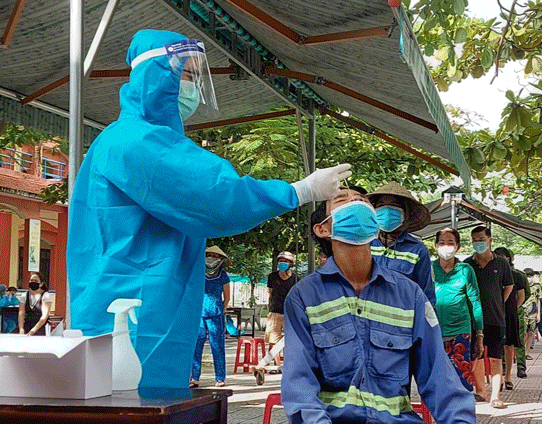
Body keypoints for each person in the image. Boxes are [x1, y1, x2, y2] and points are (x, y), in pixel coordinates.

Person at [67, 29, 351, 388]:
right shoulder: (134, 141)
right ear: (156, 75)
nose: (192, 89)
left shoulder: (144, 140)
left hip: (142, 306)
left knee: (146, 421)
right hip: (131, 313)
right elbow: (216, 197)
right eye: (185, 76)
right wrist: (299, 190)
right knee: (131, 422)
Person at [282, 188, 504, 424]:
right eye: (342, 201)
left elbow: (439, 378)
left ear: (375, 224)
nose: (355, 205)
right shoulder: (303, 297)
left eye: (362, 203)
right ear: (324, 228)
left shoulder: (410, 296)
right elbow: (298, 384)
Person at [464, 226, 513, 409]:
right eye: (475, 239)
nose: (478, 242)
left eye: (481, 238)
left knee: (495, 357)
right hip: (472, 320)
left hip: (495, 319)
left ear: (490, 240)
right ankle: (480, 391)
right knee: (474, 356)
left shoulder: (501, 263)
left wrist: (500, 301)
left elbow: (509, 285)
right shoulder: (467, 264)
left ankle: (495, 396)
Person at [432, 227, 483, 391]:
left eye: (450, 243)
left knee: (461, 375)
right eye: (442, 242)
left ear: (458, 247)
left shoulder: (465, 270)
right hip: (433, 329)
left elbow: (475, 302)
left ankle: (461, 412)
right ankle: (440, 412)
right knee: (436, 376)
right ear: (435, 245)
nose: (446, 246)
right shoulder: (429, 268)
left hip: (460, 329)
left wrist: (479, 335)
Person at [368, 182, 435, 306]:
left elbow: (426, 295)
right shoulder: (365, 244)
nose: (387, 211)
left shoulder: (417, 250)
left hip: (402, 321)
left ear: (405, 213)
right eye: (381, 205)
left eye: (394, 205)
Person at [190, 246, 231, 388]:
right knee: (196, 346)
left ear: (220, 259)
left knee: (217, 346)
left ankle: (220, 378)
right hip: (199, 315)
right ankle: (194, 378)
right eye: (209, 255)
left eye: (215, 256)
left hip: (216, 315)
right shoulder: (198, 273)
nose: (211, 258)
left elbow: (227, 296)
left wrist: (222, 309)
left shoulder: (223, 276)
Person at [493, 247, 526, 390]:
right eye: (497, 256)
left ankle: (508, 377)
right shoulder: (491, 273)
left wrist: (512, 309)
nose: (500, 259)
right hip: (494, 314)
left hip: (510, 314)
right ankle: (498, 377)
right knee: (496, 346)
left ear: (508, 258)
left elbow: (522, 296)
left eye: (503, 256)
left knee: (509, 346)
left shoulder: (517, 276)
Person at [265, 251, 299, 365]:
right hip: (275, 312)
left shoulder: (296, 279)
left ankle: (290, 364)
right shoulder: (272, 277)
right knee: (274, 340)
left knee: (291, 339)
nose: (282, 263)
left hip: (290, 313)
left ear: (291, 263)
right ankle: (277, 364)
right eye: (280, 261)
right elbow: (270, 293)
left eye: (285, 261)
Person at [18, 272, 52, 336]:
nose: (33, 282)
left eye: (35, 281)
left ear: (41, 284)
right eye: (31, 280)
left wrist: (33, 330)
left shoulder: (45, 295)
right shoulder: (24, 295)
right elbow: (21, 314)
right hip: (27, 324)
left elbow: (44, 316)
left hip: (41, 326)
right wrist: (21, 328)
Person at [522, 268, 542, 360]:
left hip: (533, 313)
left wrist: (538, 314)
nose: (529, 278)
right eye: (527, 276)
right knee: (523, 334)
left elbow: (538, 300)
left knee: (530, 333)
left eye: (530, 276)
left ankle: (527, 353)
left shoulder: (537, 287)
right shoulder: (521, 285)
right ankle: (521, 353)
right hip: (522, 312)